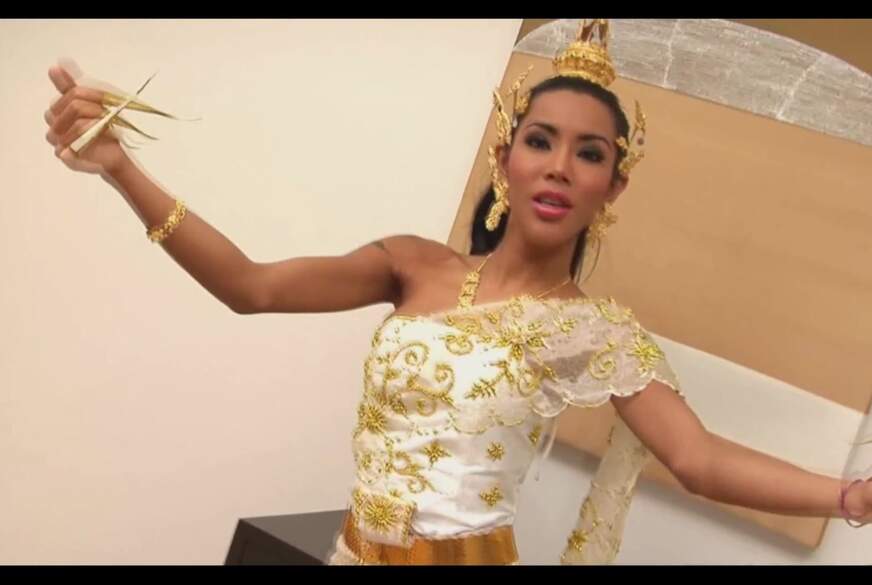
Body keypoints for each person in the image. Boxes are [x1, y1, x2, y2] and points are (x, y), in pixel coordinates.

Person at [43, 19, 871, 565]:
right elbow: (249, 286)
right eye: (541, 141)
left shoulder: (595, 333)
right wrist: (120, 168)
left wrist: (846, 496)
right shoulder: (412, 263)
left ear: (613, 186)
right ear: (505, 159)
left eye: (589, 153)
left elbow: (700, 459)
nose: (559, 166)